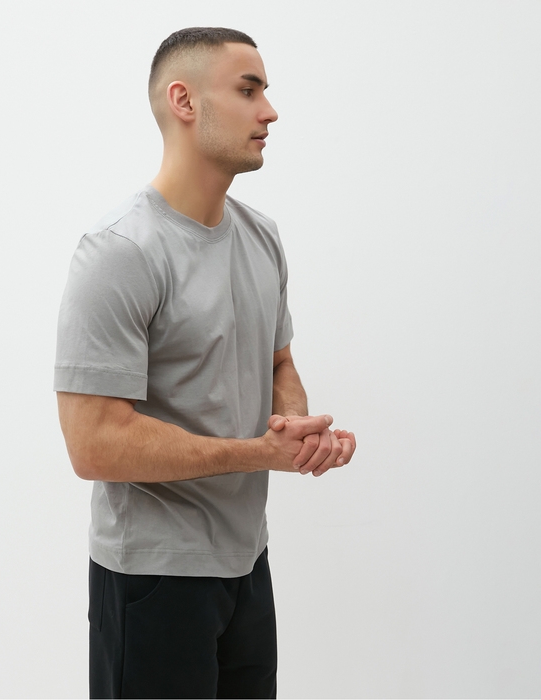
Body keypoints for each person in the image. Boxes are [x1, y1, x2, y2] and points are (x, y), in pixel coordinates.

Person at [55, 26, 356, 700]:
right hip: (152, 578)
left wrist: (295, 428)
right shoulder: (119, 251)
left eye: (266, 92)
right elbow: (93, 444)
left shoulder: (262, 237)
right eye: (249, 90)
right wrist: (257, 454)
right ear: (184, 101)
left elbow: (279, 363)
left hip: (247, 564)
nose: (269, 111)